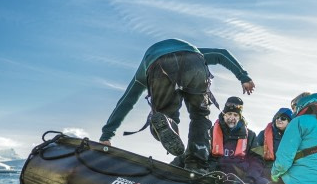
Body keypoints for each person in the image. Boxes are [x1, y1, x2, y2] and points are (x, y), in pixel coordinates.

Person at [98, 39, 254, 173]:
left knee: (165, 115)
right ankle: (196, 163)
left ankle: (168, 123)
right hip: (194, 62)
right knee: (200, 115)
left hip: (158, 66)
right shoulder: (193, 51)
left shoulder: (142, 73)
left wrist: (107, 135)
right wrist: (243, 76)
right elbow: (222, 54)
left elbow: (126, 102)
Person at [210, 98, 263, 182]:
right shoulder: (211, 131)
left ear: (239, 117)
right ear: (224, 115)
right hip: (213, 175)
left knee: (263, 183)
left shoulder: (251, 135)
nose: (232, 118)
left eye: (235, 115)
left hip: (240, 179)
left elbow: (258, 159)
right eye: (229, 114)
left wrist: (251, 177)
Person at [251, 107, 293, 181]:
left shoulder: (294, 138)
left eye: (283, 118)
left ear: (289, 122)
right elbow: (255, 157)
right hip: (265, 171)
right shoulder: (263, 134)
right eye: (277, 117)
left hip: (286, 174)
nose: (279, 120)